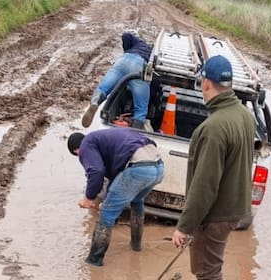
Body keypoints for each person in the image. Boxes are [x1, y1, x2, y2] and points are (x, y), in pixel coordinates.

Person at [171, 55, 255, 279]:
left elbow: (204, 185)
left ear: (205, 83)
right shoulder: (246, 116)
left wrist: (184, 226)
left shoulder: (212, 128)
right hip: (235, 209)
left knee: (207, 272)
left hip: (216, 214)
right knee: (211, 268)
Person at [67, 128, 164, 266]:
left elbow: (96, 171)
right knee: (137, 201)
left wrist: (88, 198)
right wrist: (107, 199)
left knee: (107, 213)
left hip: (138, 167)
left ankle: (94, 260)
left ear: (77, 150)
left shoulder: (86, 145)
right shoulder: (106, 138)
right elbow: (117, 177)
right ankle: (136, 246)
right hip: (158, 167)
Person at [81, 32, 152, 129]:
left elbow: (126, 35)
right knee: (141, 109)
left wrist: (126, 50)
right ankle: (135, 131)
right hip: (140, 66)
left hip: (123, 61)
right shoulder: (153, 51)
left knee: (103, 88)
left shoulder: (138, 43)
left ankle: (95, 103)